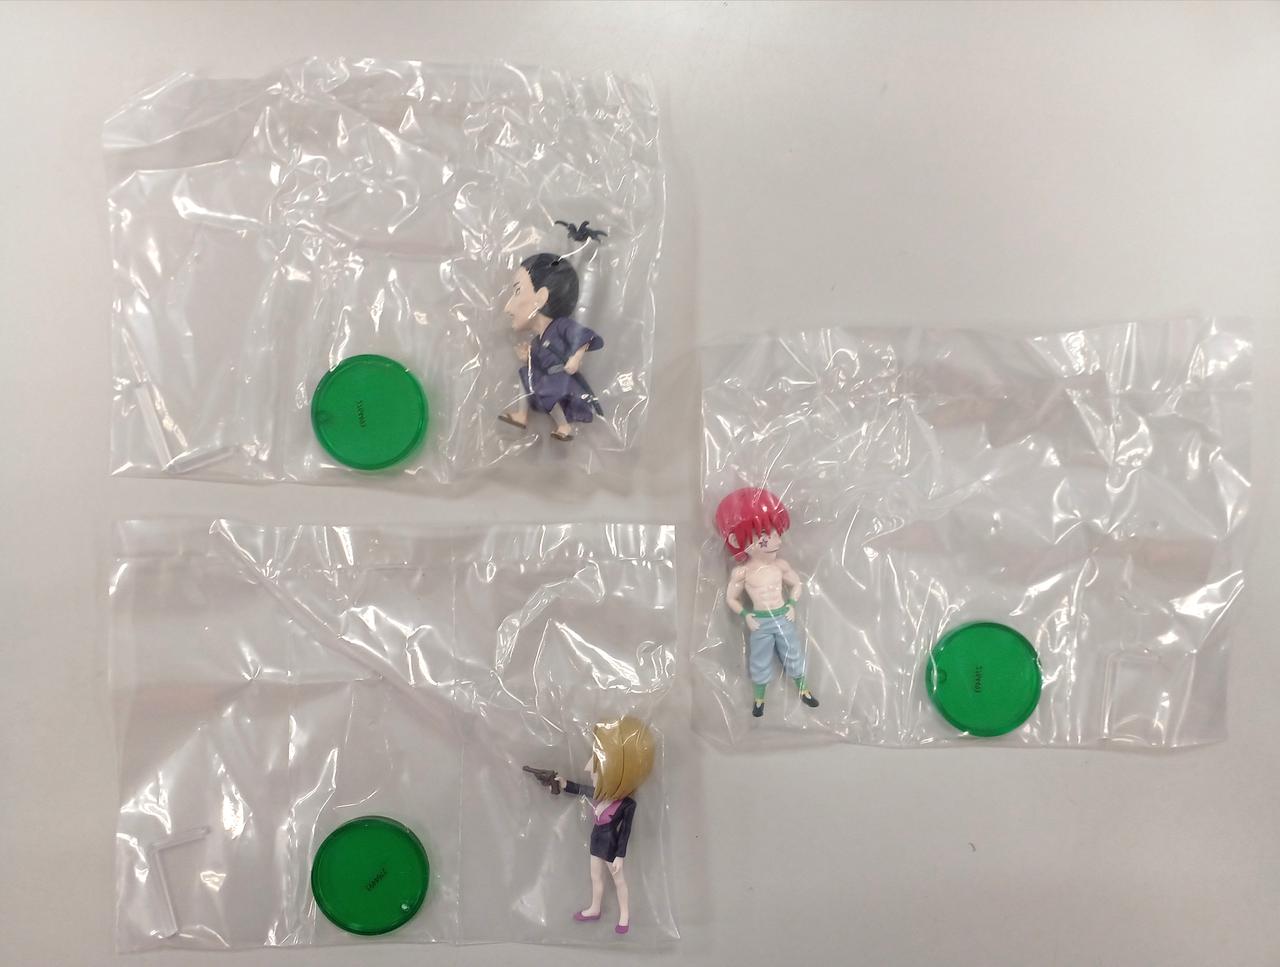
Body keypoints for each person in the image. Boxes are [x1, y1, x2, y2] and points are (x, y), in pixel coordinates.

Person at [716, 487, 820, 717]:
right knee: (759, 659)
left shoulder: (780, 566)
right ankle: (759, 698)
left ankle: (803, 689)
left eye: (776, 532)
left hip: (782, 616)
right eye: (765, 534)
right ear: (736, 539)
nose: (777, 540)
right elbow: (731, 598)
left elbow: (797, 584)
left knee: (793, 652)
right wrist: (746, 615)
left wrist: (791, 604)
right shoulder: (742, 573)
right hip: (760, 622)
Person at [546, 717, 654, 935]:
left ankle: (624, 915)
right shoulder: (599, 794)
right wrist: (564, 784)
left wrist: (620, 856)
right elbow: (580, 789)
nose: (588, 768)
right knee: (595, 877)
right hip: (596, 843)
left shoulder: (627, 804)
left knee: (619, 881)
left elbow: (625, 832)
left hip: (611, 848)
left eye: (596, 765)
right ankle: (595, 908)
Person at [499, 252, 603, 441]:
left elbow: (584, 337)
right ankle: (522, 415)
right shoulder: (537, 341)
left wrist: (576, 358)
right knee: (525, 374)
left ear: (541, 297)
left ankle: (564, 426)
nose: (507, 307)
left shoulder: (562, 325)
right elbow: (538, 364)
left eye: (517, 291)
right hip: (548, 378)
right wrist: (527, 358)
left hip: (560, 378)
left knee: (549, 392)